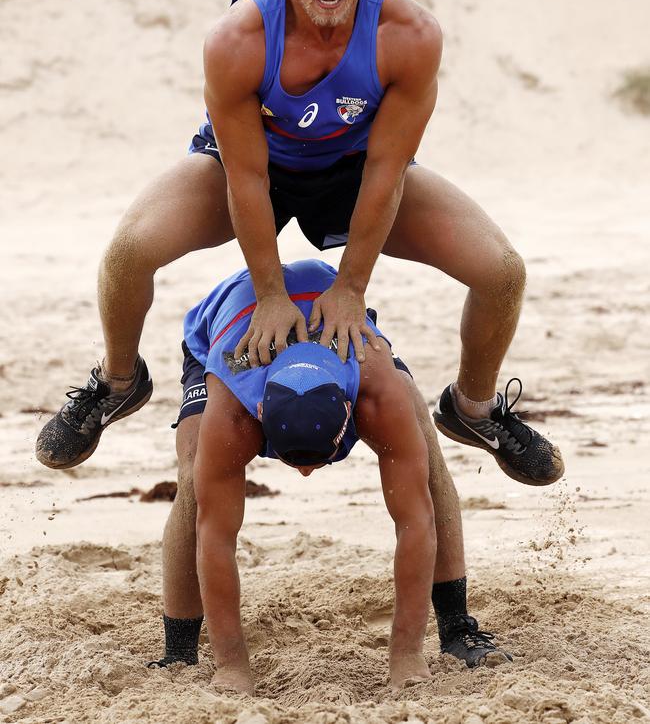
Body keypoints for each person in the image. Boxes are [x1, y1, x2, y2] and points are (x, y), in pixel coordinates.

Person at [36, 0, 563, 490]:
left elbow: (387, 173)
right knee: (128, 252)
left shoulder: (411, 36)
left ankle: (472, 409)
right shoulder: (238, 38)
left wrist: (350, 288)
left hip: (355, 170)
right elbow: (247, 178)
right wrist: (271, 294)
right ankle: (117, 385)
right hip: (257, 166)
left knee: (502, 272)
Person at [147, 258, 514, 693]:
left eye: (317, 460)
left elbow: (416, 523)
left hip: (335, 316)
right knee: (195, 484)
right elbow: (217, 536)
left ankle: (457, 629)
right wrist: (232, 665)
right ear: (259, 413)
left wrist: (406, 654)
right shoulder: (233, 410)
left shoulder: (376, 390)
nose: (304, 472)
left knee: (425, 456)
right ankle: (180, 652)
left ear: (350, 410)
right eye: (294, 459)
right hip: (228, 323)